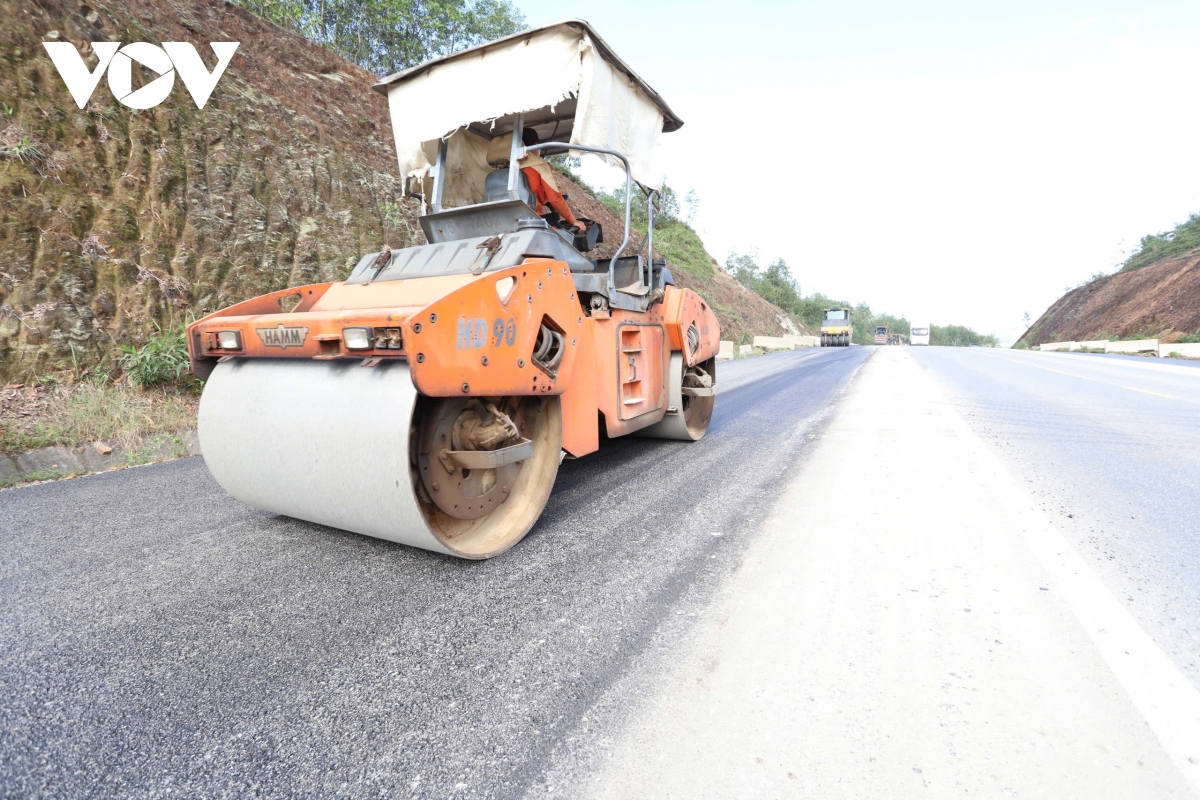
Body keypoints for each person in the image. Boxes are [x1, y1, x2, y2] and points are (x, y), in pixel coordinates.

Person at [519, 128, 588, 234]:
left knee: (554, 216)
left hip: (505, 219)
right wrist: (573, 221)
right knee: (566, 236)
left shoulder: (505, 168)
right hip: (530, 219)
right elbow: (555, 198)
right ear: (536, 145)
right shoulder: (539, 164)